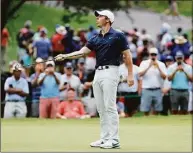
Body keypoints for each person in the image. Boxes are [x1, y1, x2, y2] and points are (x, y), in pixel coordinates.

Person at [54, 10, 134, 149]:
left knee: (110, 107)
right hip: (98, 73)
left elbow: (127, 55)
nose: (97, 18)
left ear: (108, 19)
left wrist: (131, 74)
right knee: (101, 109)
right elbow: (82, 52)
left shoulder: (118, 36)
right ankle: (104, 138)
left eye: (100, 16)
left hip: (111, 71)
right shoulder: (95, 37)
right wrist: (65, 56)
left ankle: (114, 140)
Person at [139, 47, 167, 116]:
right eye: (152, 54)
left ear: (157, 55)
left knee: (157, 109)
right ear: (149, 54)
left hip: (157, 89)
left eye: (154, 54)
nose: (153, 56)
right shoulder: (144, 63)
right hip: (146, 89)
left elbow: (164, 77)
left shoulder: (161, 64)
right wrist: (149, 66)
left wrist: (158, 68)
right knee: (145, 109)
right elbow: (140, 74)